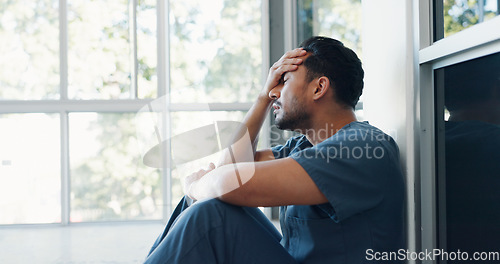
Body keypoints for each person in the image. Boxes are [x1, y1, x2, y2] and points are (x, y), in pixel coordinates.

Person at [143, 36, 405, 264]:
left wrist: (195, 186)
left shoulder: (363, 146)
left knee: (210, 216)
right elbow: (230, 172)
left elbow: (225, 183)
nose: (274, 92)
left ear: (319, 87)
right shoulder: (303, 146)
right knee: (207, 205)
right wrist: (261, 99)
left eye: (284, 80)